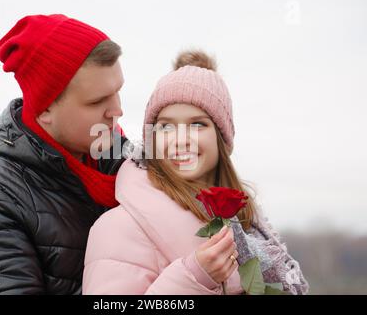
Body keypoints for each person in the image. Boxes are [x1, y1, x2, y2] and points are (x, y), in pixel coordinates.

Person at [83, 50, 309, 295]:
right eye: (167, 126)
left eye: (198, 124)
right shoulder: (118, 228)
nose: (180, 139)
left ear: (221, 139)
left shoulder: (248, 228)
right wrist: (194, 277)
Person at [0, 14, 127, 294]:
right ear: (45, 109)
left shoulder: (127, 161)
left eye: (118, 91)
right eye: (97, 101)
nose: (117, 111)